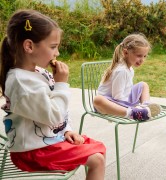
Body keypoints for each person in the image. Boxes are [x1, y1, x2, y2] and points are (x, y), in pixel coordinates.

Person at [0, 9, 106, 180]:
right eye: (53, 47)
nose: (57, 53)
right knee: (97, 160)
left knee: (97, 147)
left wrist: (66, 130)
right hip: (32, 152)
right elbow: (53, 115)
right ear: (29, 46)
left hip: (46, 141)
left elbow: (57, 112)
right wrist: (61, 83)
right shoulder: (21, 82)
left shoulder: (39, 72)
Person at [93, 33, 161, 121]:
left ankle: (145, 107)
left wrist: (133, 100)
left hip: (123, 101)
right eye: (139, 56)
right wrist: (131, 105)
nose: (142, 60)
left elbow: (126, 91)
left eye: (144, 56)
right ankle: (133, 113)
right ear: (125, 52)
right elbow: (117, 97)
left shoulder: (130, 69)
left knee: (143, 85)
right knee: (97, 100)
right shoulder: (121, 70)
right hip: (110, 104)